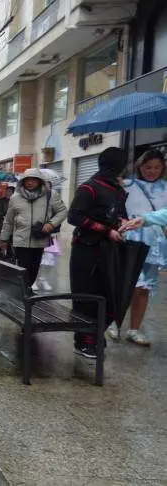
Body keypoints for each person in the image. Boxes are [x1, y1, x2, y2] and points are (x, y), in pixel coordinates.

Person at [67, 147, 129, 359]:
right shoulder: (89, 188)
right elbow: (74, 216)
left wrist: (122, 223)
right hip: (86, 250)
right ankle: (84, 341)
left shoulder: (118, 190)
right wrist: (105, 230)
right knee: (86, 296)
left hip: (109, 251)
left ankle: (95, 334)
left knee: (109, 295)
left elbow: (120, 214)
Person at [112, 149, 167, 346]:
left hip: (154, 243)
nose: (152, 171)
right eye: (147, 166)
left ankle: (134, 329)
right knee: (124, 283)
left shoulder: (166, 188)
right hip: (129, 239)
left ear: (163, 169)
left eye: (157, 167)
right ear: (139, 166)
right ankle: (114, 322)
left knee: (144, 288)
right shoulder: (126, 185)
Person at [0, 168, 67, 291]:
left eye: (33, 180)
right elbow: (8, 220)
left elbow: (62, 211)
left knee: (34, 269)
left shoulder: (50, 195)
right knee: (23, 268)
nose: (29, 182)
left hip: (39, 238)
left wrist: (51, 224)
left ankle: (26, 291)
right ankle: (24, 293)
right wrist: (3, 238)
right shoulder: (15, 198)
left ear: (40, 181)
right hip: (20, 240)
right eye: (27, 180)